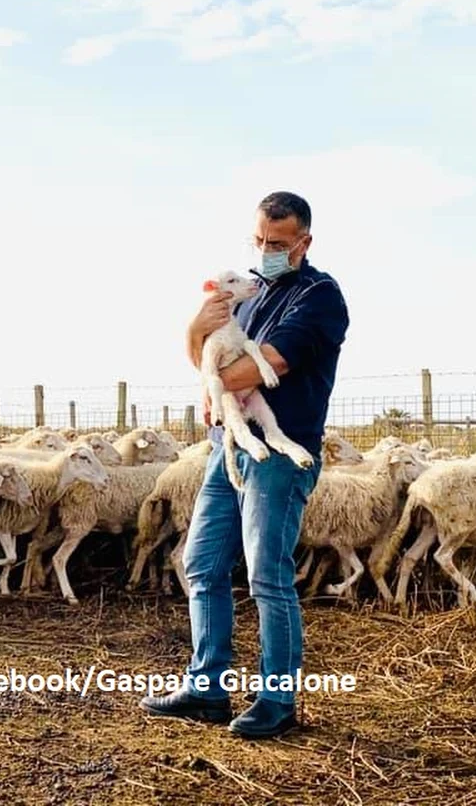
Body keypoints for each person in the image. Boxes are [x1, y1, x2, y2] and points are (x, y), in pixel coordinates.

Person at [140, 191, 349, 739]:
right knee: (201, 564)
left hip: (279, 453)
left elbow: (260, 368)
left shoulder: (320, 297)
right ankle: (206, 687)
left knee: (267, 576)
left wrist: (212, 378)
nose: (266, 251)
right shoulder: (244, 296)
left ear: (305, 241)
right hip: (227, 447)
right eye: (259, 241)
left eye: (277, 243)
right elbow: (208, 360)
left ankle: (276, 700)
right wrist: (192, 331)